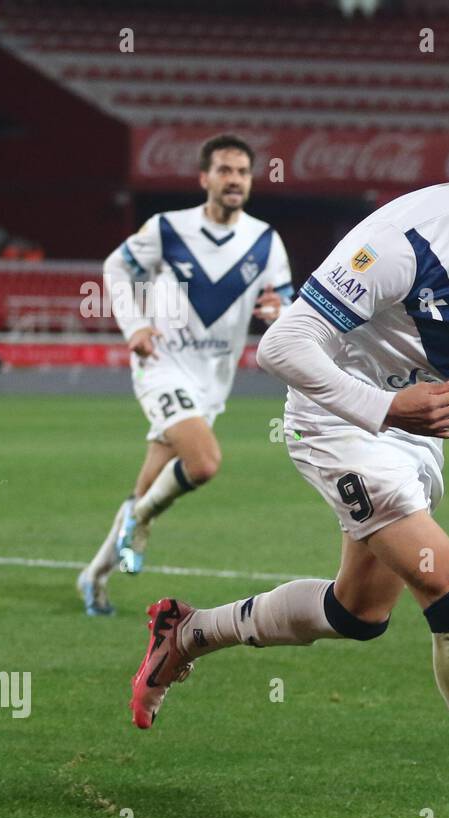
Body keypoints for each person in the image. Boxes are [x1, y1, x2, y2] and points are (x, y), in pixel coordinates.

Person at [128, 88, 449, 818]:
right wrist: (383, 407)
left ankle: (189, 632)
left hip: (408, 428)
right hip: (339, 419)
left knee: (358, 615)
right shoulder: (405, 237)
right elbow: (284, 347)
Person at [77, 134, 292, 616]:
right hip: (161, 365)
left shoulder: (264, 240)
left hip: (213, 380)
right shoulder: (168, 229)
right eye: (224, 170)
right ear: (204, 178)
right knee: (204, 463)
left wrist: (279, 311)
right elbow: (115, 267)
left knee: (149, 485)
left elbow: (288, 303)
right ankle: (141, 522)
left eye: (242, 171)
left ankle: (94, 575)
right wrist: (135, 325)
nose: (233, 179)